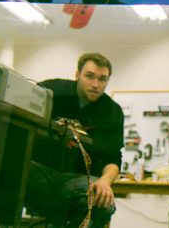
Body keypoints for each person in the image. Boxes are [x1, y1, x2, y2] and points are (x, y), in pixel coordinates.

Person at [25, 53, 124, 227]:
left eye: (102, 79)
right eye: (89, 76)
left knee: (103, 204)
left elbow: (113, 157)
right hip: (41, 173)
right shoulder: (52, 91)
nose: (95, 84)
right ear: (77, 75)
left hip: (80, 179)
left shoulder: (112, 111)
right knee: (10, 170)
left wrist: (105, 181)